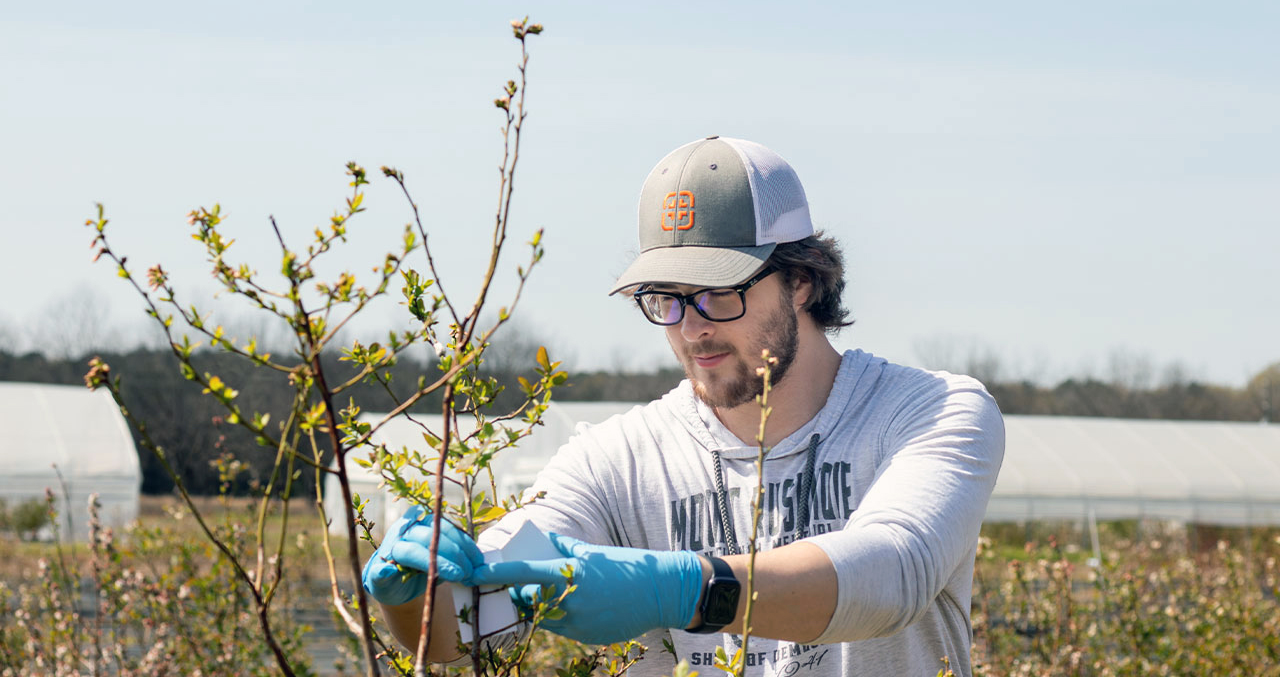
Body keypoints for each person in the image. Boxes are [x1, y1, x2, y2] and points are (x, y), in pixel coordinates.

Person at [363, 136, 1005, 676]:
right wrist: (417, 592)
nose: (691, 328)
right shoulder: (614, 461)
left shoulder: (929, 412)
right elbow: (462, 631)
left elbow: (893, 573)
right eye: (665, 298)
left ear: (802, 280)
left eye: (717, 294)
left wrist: (687, 589)